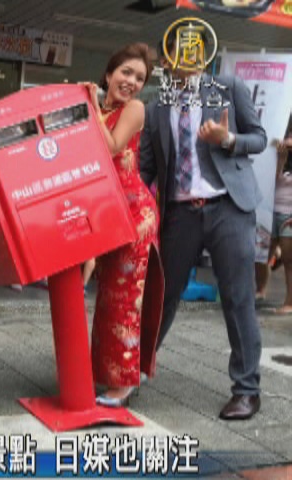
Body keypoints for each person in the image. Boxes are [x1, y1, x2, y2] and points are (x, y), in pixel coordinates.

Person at [139, 31, 266, 420]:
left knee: (237, 297)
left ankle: (246, 391)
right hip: (180, 213)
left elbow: (259, 138)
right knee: (161, 294)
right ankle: (130, 373)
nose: (189, 56)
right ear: (167, 60)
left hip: (229, 206)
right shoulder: (155, 108)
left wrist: (228, 139)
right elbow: (145, 168)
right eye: (180, 50)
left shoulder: (229, 87)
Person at [82, 42, 161, 407]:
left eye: (139, 77)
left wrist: (88, 106)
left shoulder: (134, 109)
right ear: (109, 73)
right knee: (108, 299)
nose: (131, 81)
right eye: (126, 72)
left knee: (125, 301)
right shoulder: (102, 109)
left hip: (134, 215)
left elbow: (113, 146)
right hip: (109, 213)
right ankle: (108, 372)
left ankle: (124, 382)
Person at [256, 127, 292, 313]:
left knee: (289, 259)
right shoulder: (278, 153)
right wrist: (282, 158)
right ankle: (261, 290)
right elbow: (270, 179)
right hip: (270, 210)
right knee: (261, 253)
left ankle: (289, 302)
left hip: (288, 213)